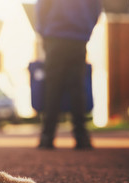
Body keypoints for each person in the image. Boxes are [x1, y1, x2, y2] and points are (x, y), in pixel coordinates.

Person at [36, 0, 102, 150]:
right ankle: (82, 138)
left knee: (53, 88)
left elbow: (41, 7)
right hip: (78, 38)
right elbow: (96, 8)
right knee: (77, 89)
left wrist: (44, 33)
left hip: (55, 37)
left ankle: (47, 137)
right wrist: (86, 31)